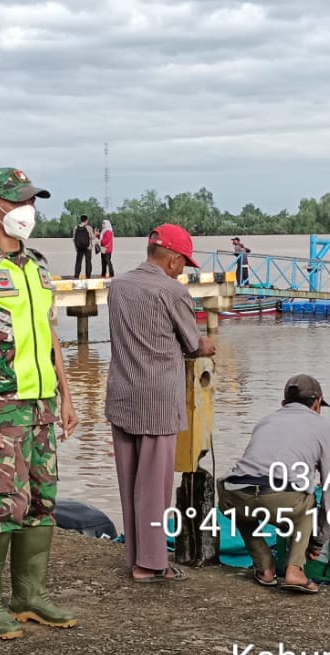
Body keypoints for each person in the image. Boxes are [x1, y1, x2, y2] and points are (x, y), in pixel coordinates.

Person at [0, 167, 79, 640]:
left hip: (42, 403)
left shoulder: (39, 265)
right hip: (1, 405)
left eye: (32, 201)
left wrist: (66, 394)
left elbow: (50, 335)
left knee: (44, 500)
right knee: (6, 503)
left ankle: (30, 595)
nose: (28, 211)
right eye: (18, 201)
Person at [106, 223, 215, 582]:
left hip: (122, 394)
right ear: (171, 259)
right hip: (157, 401)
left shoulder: (118, 286)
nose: (183, 268)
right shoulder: (172, 291)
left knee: (129, 484)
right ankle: (151, 564)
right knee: (154, 488)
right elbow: (190, 343)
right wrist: (207, 345)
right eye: (183, 262)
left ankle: (135, 555)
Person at [218, 374, 330, 593]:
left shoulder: (265, 420)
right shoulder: (326, 429)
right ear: (317, 404)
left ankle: (265, 567)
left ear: (283, 404)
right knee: (307, 503)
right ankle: (295, 570)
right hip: (281, 499)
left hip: (235, 494)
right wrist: (319, 539)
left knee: (242, 508)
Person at [71, 214, 93, 279]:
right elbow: (92, 236)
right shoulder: (89, 227)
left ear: (81, 220)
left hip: (79, 247)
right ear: (86, 220)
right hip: (88, 247)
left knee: (78, 262)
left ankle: (76, 276)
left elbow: (74, 238)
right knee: (88, 262)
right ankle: (88, 277)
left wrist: (76, 247)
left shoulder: (76, 227)